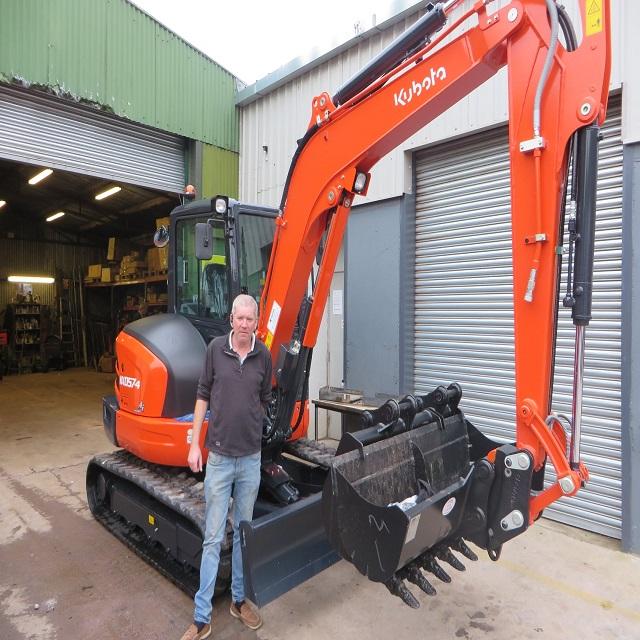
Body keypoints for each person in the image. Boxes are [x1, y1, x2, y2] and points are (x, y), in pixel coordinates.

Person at [180, 294, 272, 640]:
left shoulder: (264, 355)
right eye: (240, 318)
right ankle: (201, 617)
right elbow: (202, 395)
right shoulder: (215, 349)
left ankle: (238, 600)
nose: (245, 324)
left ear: (256, 322)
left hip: (250, 459)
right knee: (213, 538)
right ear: (231, 319)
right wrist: (194, 444)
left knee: (243, 534)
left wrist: (250, 428)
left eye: (250, 319)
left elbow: (263, 399)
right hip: (218, 458)